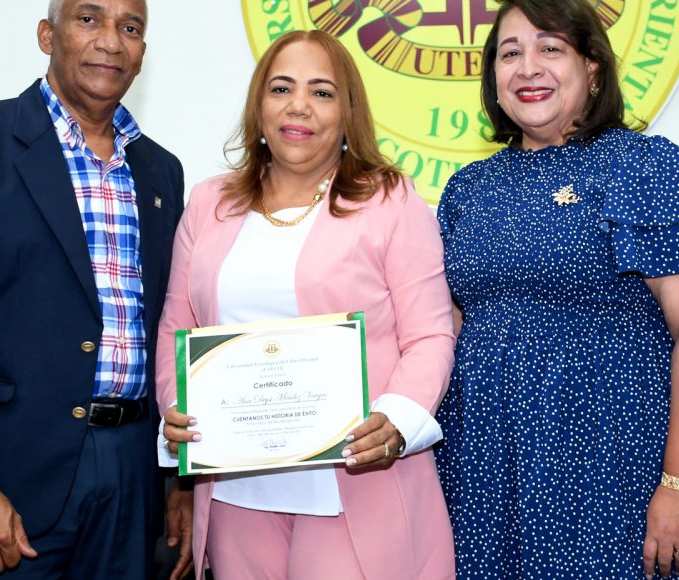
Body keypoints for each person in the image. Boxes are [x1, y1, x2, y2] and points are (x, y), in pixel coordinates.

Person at [434, 0, 679, 577]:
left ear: (592, 67)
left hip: (615, 467)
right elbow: (445, 331)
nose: (528, 67)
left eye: (550, 48)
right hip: (487, 472)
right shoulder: (467, 188)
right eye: (509, 53)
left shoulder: (643, 166)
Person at [0, 0, 192, 577]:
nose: (111, 40)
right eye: (89, 19)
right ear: (46, 35)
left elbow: (173, 325)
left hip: (132, 475)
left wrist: (182, 479)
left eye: (130, 28)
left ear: (142, 53)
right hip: (7, 477)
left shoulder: (161, 170)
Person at [157, 30, 457, 579]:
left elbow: (430, 335)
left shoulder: (389, 199)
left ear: (348, 114)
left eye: (321, 92)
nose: (299, 105)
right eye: (281, 88)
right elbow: (179, 326)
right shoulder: (208, 202)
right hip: (237, 490)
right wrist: (179, 413)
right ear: (259, 107)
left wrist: (397, 420)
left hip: (355, 480)